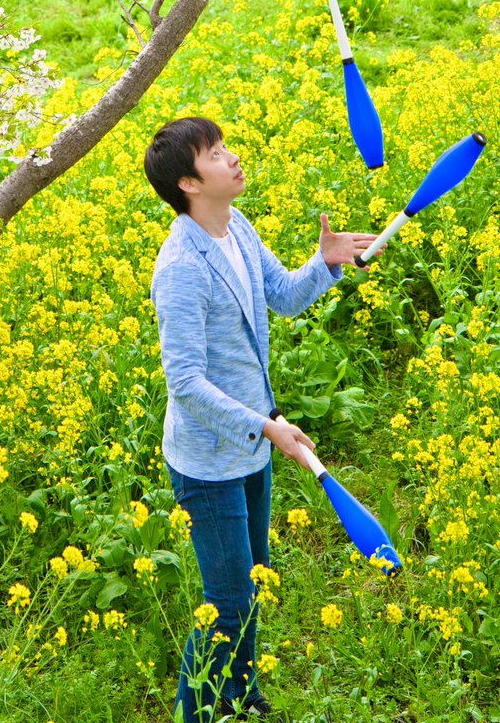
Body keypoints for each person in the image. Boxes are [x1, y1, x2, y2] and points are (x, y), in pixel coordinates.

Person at [144, 117, 378, 722]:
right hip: (209, 460)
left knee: (253, 580)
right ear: (190, 184)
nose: (233, 158)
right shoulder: (180, 268)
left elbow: (281, 294)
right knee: (226, 603)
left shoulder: (235, 227)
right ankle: (197, 713)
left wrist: (325, 264)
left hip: (251, 443)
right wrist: (266, 426)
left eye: (225, 148)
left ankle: (240, 700)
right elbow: (186, 384)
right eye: (216, 154)